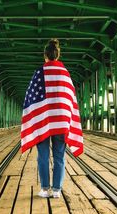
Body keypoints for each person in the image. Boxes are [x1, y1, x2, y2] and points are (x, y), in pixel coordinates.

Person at [20, 39, 83, 199]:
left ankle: (45, 189)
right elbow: (71, 98)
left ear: (45, 56)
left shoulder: (39, 73)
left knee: (42, 155)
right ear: (57, 55)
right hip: (61, 121)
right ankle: (56, 190)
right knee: (59, 156)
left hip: (43, 121)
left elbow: (30, 98)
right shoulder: (66, 74)